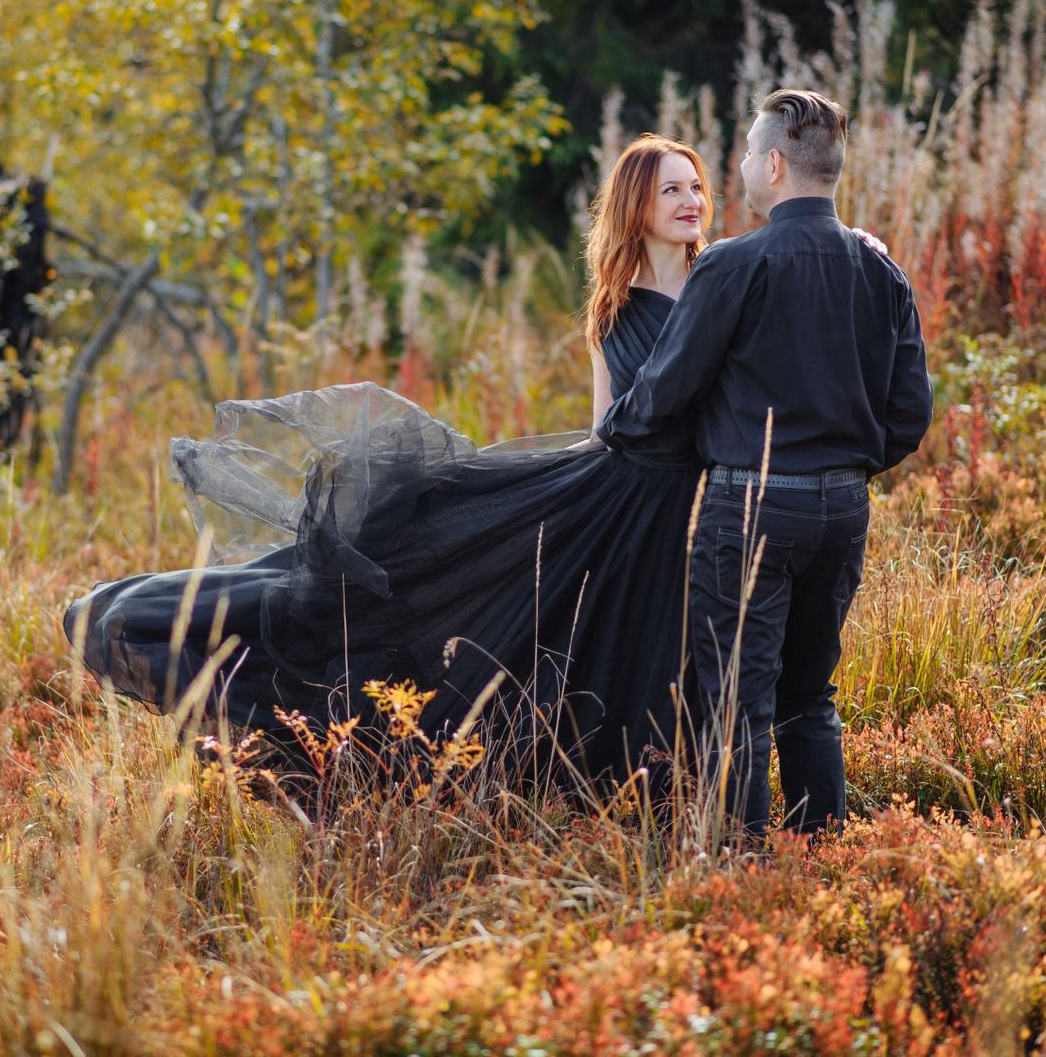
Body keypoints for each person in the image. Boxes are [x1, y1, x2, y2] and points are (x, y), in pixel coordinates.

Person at [63, 134, 715, 792]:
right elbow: (604, 430)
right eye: (672, 188)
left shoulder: (720, 281)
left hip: (691, 499)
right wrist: (487, 480)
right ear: (636, 205)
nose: (692, 200)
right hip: (613, 496)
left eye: (695, 186)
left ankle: (674, 795)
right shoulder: (610, 312)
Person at [594, 89, 934, 840]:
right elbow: (911, 411)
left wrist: (615, 426)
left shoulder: (732, 266)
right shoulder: (883, 271)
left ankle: (740, 872)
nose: (741, 166)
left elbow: (662, 393)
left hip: (746, 509)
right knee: (809, 697)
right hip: (845, 510)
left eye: (748, 153)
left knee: (737, 703)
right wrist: (843, 467)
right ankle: (821, 853)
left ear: (774, 165)